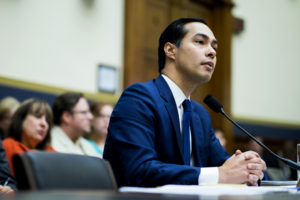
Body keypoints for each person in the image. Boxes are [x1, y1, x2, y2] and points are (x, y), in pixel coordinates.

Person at [104, 18, 266, 187]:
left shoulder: (199, 114)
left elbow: (226, 166)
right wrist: (220, 174)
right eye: (200, 42)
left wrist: (250, 169)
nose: (212, 52)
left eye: (214, 47)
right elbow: (140, 170)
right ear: (170, 50)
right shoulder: (139, 99)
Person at [3, 98, 55, 176]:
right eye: (38, 116)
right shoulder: (6, 146)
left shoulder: (51, 151)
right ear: (21, 119)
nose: (44, 124)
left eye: (47, 120)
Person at [51, 92, 100, 157]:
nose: (91, 117)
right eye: (84, 112)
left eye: (89, 112)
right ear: (67, 117)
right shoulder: (49, 143)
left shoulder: (87, 144)